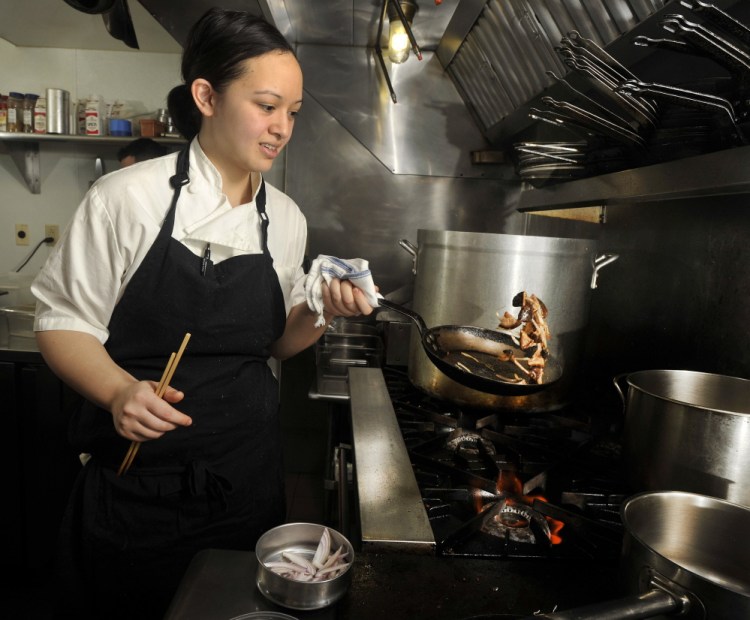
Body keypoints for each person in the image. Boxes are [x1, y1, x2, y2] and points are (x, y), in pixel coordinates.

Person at [31, 8, 375, 619]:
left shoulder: (286, 219)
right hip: (138, 489)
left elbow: (273, 347)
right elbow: (63, 323)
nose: (282, 128)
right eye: (267, 106)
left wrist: (322, 311)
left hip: (245, 481)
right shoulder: (126, 199)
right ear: (207, 96)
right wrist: (117, 392)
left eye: (292, 112)